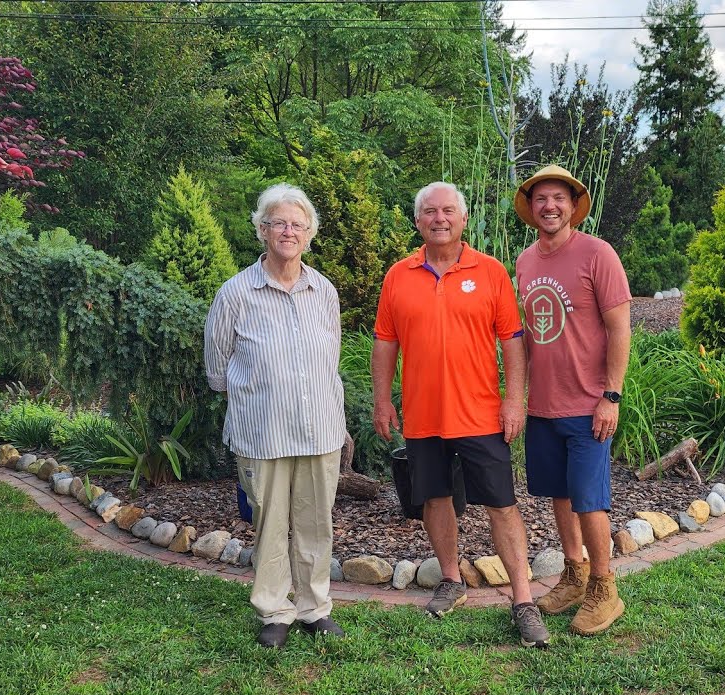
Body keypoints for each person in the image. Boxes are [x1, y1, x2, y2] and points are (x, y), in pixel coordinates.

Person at [371, 181, 550, 649]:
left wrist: (515, 401)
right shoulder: (398, 275)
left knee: (502, 506)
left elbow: (513, 340)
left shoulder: (489, 271)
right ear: (417, 222)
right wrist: (382, 400)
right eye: (429, 212)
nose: (439, 218)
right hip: (424, 416)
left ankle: (524, 601)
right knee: (434, 498)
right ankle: (451, 580)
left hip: (481, 416)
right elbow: (385, 342)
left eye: (448, 210)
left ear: (464, 219)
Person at [204, 183, 348, 649]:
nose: (289, 231)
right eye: (279, 223)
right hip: (262, 433)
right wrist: (264, 394)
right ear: (263, 230)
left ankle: (315, 608)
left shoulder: (323, 290)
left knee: (316, 522)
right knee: (269, 523)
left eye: (298, 225)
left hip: (319, 430)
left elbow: (331, 359)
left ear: (309, 235)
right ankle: (275, 610)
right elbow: (217, 369)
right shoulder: (236, 293)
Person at [513, 165, 632, 636]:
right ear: (531, 207)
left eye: (558, 198)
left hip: (588, 404)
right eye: (541, 198)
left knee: (588, 499)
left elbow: (620, 327)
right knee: (560, 496)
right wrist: (518, 398)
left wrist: (611, 396)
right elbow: (523, 335)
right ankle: (574, 574)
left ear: (573, 204)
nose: (550, 206)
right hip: (543, 405)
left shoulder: (597, 253)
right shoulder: (524, 262)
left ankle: (606, 587)